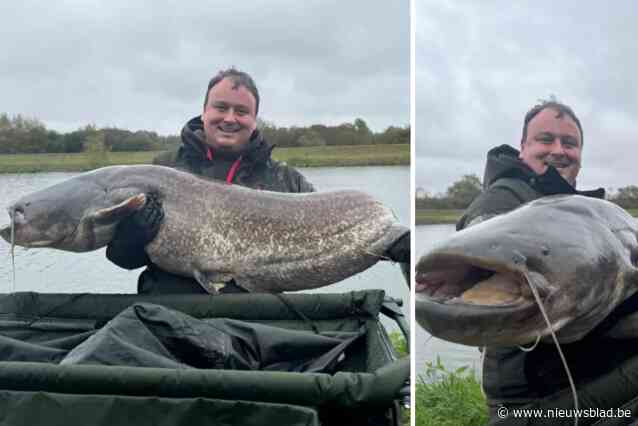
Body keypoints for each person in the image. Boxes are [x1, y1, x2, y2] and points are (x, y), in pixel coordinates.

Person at [107, 67, 409, 294]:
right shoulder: (162, 171)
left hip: (261, 319)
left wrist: (386, 242)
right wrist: (134, 236)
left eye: (241, 111)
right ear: (204, 111)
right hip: (168, 307)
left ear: (254, 120)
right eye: (220, 107)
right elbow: (123, 258)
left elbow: (334, 245)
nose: (229, 118)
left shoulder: (287, 181)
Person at [458, 100, 638, 424]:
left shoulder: (577, 207)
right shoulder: (505, 195)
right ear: (523, 147)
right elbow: (482, 238)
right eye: (545, 139)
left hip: (581, 378)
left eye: (569, 143)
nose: (559, 150)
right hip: (534, 397)